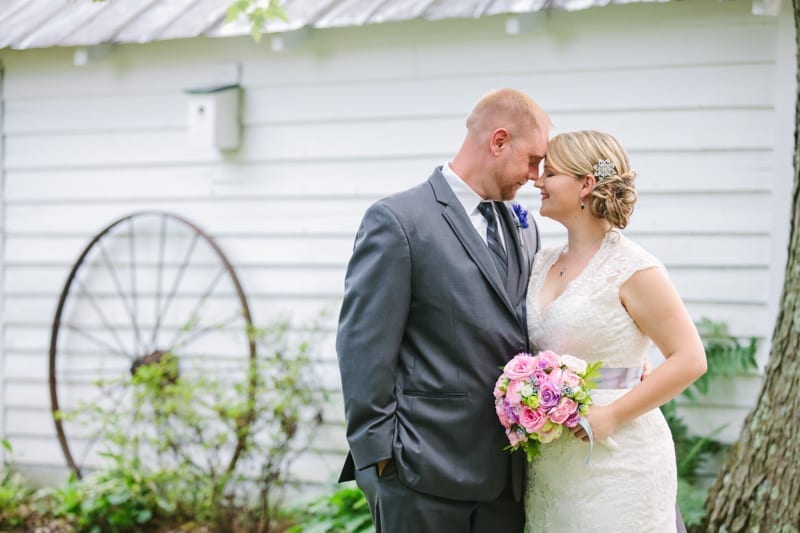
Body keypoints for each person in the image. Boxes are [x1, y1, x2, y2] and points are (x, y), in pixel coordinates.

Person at [335, 88, 550, 531]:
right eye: (532, 159)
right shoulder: (399, 221)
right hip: (421, 474)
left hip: (506, 484)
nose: (535, 176)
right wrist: (376, 460)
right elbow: (363, 348)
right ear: (498, 141)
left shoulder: (526, 231)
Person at [523, 130, 707, 531]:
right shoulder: (541, 261)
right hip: (553, 465)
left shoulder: (635, 268)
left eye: (550, 173)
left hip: (619, 456)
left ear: (586, 184)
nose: (538, 182)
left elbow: (691, 359)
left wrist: (611, 415)